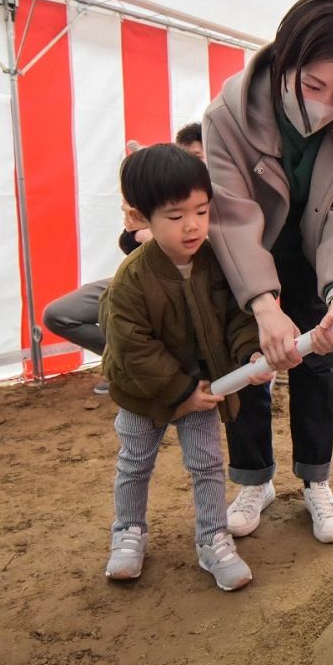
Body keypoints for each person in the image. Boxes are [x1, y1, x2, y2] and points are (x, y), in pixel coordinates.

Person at [204, 0, 333, 543]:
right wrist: (262, 304)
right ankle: (253, 478)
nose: (326, 102)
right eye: (312, 85)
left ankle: (315, 481)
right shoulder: (226, 116)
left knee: (321, 366)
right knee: (250, 364)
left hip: (312, 258)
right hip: (246, 254)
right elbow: (231, 218)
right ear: (285, 63)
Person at [99, 144, 272, 589]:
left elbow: (238, 314)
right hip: (143, 393)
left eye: (201, 210)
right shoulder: (132, 279)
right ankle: (127, 534)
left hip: (203, 387)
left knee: (208, 466)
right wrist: (179, 392)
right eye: (176, 217)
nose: (193, 225)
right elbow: (132, 348)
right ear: (141, 219)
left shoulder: (216, 259)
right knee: (135, 463)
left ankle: (213, 539)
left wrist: (250, 351)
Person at [42, 142, 153, 395]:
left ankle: (141, 367)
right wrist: (137, 234)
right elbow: (128, 239)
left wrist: (146, 234)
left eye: (198, 156)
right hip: (131, 278)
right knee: (58, 314)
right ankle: (123, 363)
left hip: (167, 288)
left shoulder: (211, 199)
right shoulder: (152, 195)